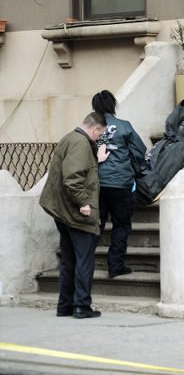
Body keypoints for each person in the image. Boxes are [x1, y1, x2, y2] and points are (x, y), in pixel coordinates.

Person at [39, 112, 109, 319]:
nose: (98, 137)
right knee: (84, 260)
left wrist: (96, 159)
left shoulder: (69, 138)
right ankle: (81, 306)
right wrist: (84, 203)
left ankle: (65, 306)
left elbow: (73, 170)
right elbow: (73, 178)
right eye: (100, 134)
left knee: (69, 260)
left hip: (62, 211)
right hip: (76, 211)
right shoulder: (80, 143)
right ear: (96, 129)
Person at [91, 90, 147, 278]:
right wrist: (138, 171)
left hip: (97, 184)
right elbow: (139, 151)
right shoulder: (124, 126)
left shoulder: (92, 129)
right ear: (112, 105)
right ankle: (115, 266)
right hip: (121, 183)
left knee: (94, 225)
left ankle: (84, 265)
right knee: (121, 224)